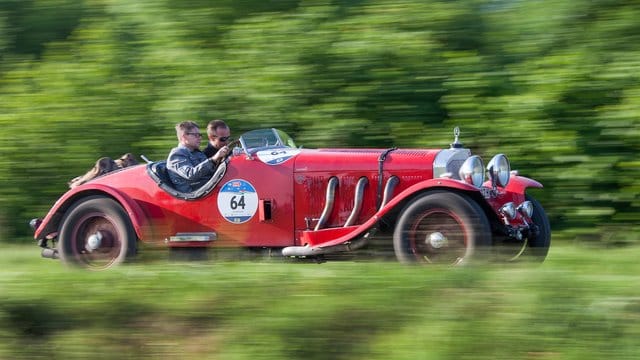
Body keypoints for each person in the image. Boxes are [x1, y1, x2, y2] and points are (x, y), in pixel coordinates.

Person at [167, 121, 230, 193]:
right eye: (196, 135)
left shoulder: (197, 153)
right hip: (195, 196)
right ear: (184, 137)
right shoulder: (177, 154)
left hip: (209, 190)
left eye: (200, 135)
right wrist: (214, 159)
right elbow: (190, 174)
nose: (200, 138)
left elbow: (212, 173)